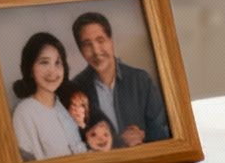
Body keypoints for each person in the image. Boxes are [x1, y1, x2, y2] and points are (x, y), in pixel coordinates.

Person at [69, 11, 171, 148]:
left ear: (111, 41)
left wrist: (143, 135)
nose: (96, 51)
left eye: (100, 40)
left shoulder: (140, 80)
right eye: (87, 44)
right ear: (81, 50)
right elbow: (75, 143)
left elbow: (163, 134)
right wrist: (119, 142)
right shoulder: (76, 89)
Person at [11, 33, 87, 162]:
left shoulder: (63, 106)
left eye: (58, 63)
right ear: (30, 68)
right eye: (44, 62)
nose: (53, 71)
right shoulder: (24, 112)